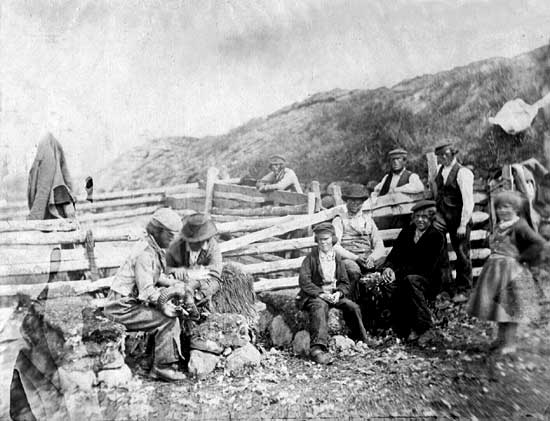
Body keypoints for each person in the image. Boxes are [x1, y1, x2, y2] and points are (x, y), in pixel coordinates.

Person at [103, 208, 186, 381]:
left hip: (128, 303)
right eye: (170, 236)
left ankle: (149, 360)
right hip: (121, 308)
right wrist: (167, 303)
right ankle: (162, 367)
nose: (173, 240)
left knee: (164, 312)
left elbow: (153, 276)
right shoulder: (145, 254)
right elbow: (147, 291)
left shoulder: (151, 247)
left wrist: (172, 283)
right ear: (159, 232)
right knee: (167, 319)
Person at [467, 191, 546, 355]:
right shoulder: (500, 225)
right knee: (499, 309)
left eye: (507, 207)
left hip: (510, 272)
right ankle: (500, 339)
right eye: (499, 208)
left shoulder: (520, 225)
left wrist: (522, 257)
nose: (502, 211)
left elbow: (539, 243)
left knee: (510, 309)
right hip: (495, 271)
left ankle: (510, 343)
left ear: (516, 209)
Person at [296, 223, 369, 364]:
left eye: (327, 239)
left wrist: (339, 293)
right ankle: (317, 349)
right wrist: (320, 294)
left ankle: (361, 339)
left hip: (333, 294)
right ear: (316, 241)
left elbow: (344, 282)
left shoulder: (336, 258)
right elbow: (304, 281)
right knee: (319, 307)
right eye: (320, 239)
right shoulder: (310, 258)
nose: (324, 242)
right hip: (315, 295)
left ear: (333, 239)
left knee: (353, 307)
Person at [380, 200, 447, 341]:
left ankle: (425, 328)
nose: (420, 220)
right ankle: (401, 327)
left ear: (431, 219)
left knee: (410, 281)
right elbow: (394, 255)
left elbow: (426, 267)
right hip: (405, 276)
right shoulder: (407, 232)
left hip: (429, 280)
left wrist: (396, 273)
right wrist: (389, 269)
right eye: (417, 216)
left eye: (424, 217)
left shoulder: (436, 237)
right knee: (386, 282)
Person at [432, 142, 474, 303]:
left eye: (446, 155)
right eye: (440, 156)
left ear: (452, 154)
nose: (443, 158)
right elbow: (438, 193)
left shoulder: (463, 173)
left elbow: (468, 201)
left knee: (462, 254)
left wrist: (463, 224)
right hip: (443, 217)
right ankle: (447, 288)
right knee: (440, 251)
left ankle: (464, 290)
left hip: (459, 218)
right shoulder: (440, 170)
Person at [332, 183, 385, 300]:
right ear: (346, 201)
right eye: (352, 200)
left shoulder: (368, 220)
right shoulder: (340, 220)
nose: (356, 203)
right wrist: (355, 258)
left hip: (367, 258)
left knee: (386, 268)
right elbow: (335, 246)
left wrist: (372, 258)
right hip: (349, 258)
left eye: (359, 201)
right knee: (353, 271)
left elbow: (379, 244)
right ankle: (352, 305)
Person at [166, 213, 223, 308]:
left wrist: (197, 277)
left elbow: (216, 273)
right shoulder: (177, 246)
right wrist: (175, 270)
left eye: (204, 240)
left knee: (214, 284)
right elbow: (164, 267)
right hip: (180, 280)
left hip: (203, 281)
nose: (203, 244)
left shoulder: (212, 246)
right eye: (197, 242)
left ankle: (197, 299)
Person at [27, 132, 76, 220]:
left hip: (54, 201)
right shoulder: (49, 143)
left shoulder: (47, 146)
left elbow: (44, 186)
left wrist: (34, 218)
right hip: (57, 197)